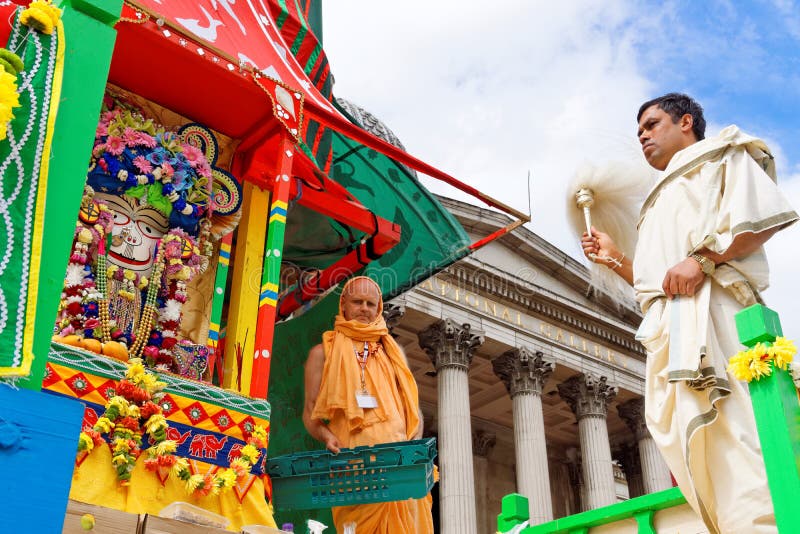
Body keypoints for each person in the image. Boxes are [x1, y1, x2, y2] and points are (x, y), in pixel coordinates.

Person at [581, 93, 797, 533]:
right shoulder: (656, 200)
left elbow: (764, 217)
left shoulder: (721, 157)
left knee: (739, 429)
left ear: (685, 122)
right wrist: (618, 259)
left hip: (717, 317)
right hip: (671, 331)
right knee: (694, 444)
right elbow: (660, 282)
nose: (642, 136)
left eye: (651, 124)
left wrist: (703, 261)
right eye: (638, 131)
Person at [303, 276, 433, 533]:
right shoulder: (323, 353)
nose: (364, 308)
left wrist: (411, 450)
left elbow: (412, 409)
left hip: (398, 470)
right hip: (355, 473)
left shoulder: (392, 351)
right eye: (357, 302)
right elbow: (310, 412)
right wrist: (326, 436)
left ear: (379, 308)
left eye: (370, 304)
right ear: (344, 305)